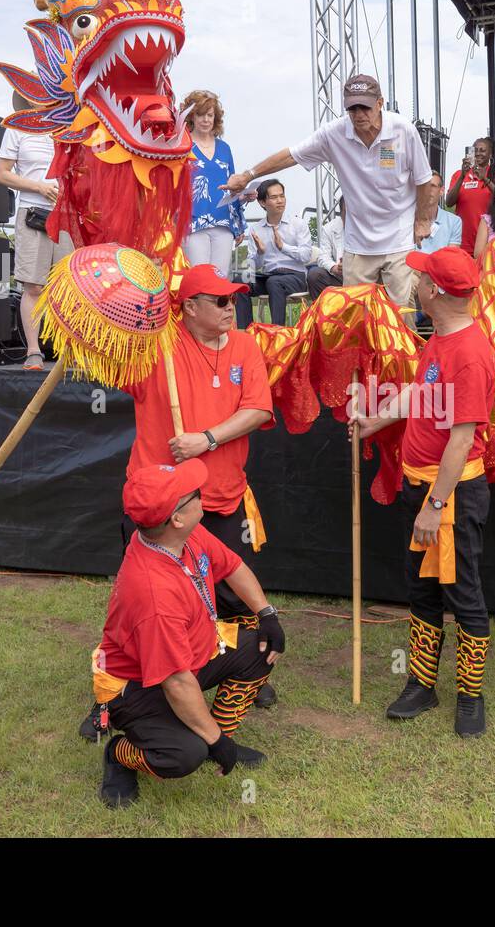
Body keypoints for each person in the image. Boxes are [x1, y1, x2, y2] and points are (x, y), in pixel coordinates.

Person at [350, 247, 495, 738]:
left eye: (423, 278)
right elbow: (420, 392)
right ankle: (422, 684)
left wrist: (436, 505)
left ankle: (470, 696)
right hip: (423, 488)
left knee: (464, 592)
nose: (416, 283)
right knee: (422, 591)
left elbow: (462, 437)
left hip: (449, 496)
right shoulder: (441, 339)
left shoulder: (470, 354)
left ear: (436, 292)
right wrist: (377, 419)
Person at [119, 264, 277, 708]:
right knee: (148, 602)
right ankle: (123, 688)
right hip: (163, 503)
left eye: (234, 299)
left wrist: (206, 439)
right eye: (221, 301)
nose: (232, 308)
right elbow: (107, 354)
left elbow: (259, 410)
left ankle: (245, 670)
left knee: (229, 591)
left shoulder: (244, 346)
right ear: (188, 307)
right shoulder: (156, 347)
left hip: (223, 495)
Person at [95, 460, 285, 808]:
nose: (203, 495)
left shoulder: (184, 533)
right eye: (195, 494)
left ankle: (216, 733)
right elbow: (176, 681)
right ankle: (119, 754)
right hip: (138, 687)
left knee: (262, 647)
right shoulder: (154, 594)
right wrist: (214, 742)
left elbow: (233, 566)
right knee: (183, 755)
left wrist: (266, 614)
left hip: (192, 655)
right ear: (176, 518)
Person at [223, 74, 437, 315]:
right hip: (359, 241)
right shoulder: (334, 133)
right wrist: (248, 175)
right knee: (355, 315)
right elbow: (291, 155)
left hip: (399, 237)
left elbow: (423, 180)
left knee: (400, 313)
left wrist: (422, 220)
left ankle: (402, 354)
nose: (359, 114)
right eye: (352, 108)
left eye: (365, 107)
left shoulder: (403, 130)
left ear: (380, 103)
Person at [0, 116, 76, 371]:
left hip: (70, 213)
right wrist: (39, 188)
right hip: (33, 212)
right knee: (33, 286)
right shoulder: (17, 128)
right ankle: (33, 351)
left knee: (70, 287)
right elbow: (2, 174)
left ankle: (70, 349)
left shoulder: (73, 126)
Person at [182, 90, 246, 279]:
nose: (206, 119)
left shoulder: (225, 148)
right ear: (191, 116)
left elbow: (232, 185)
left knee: (220, 280)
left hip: (223, 222)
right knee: (198, 279)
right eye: (201, 114)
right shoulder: (181, 145)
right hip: (193, 222)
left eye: (210, 115)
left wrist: (239, 223)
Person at [243, 179, 316, 327]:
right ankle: (245, 332)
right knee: (240, 281)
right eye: (274, 197)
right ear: (263, 203)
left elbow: (306, 255)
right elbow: (253, 265)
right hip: (269, 275)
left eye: (282, 196)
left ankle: (278, 334)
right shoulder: (256, 229)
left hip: (295, 277)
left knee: (274, 282)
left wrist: (283, 247)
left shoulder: (297, 224)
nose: (280, 201)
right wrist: (260, 252)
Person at [445, 137, 495, 255]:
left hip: (489, 240)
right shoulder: (458, 174)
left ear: (490, 154)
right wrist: (462, 176)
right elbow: (448, 202)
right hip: (463, 241)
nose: (478, 153)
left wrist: (485, 178)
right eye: (475, 150)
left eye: (482, 150)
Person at [308, 198, 346, 298]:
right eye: (348, 212)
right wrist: (335, 268)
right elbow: (323, 257)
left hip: (365, 277)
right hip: (341, 277)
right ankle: (322, 313)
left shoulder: (370, 226)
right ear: (341, 211)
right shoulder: (329, 228)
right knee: (315, 275)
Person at [418, 173, 464, 254]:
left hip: (441, 266)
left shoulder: (454, 222)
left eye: (433, 186)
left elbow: (451, 258)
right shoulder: (409, 219)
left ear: (441, 191)